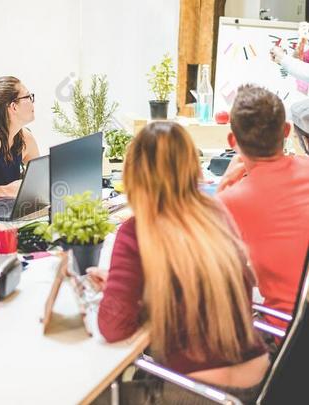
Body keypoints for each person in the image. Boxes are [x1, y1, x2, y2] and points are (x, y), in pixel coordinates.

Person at [89, 122, 268, 404]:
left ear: (133, 173)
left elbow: (113, 329)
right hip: (260, 383)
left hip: (196, 391)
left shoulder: (137, 230)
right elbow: (191, 286)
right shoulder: (214, 213)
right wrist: (126, 284)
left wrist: (117, 290)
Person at [217, 85, 309, 328]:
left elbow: (205, 266)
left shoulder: (231, 200)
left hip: (286, 340)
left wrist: (224, 185)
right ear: (287, 131)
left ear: (232, 141)